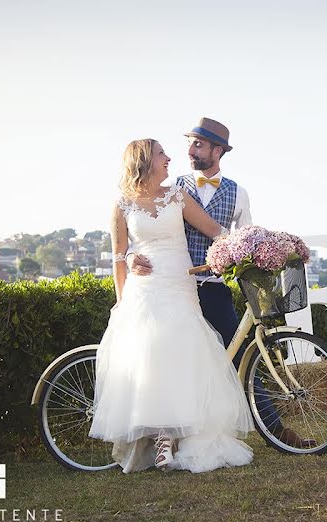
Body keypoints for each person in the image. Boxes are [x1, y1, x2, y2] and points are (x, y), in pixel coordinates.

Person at [126, 118, 315, 448]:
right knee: (172, 360)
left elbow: (243, 237)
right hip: (174, 288)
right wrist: (130, 256)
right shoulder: (170, 188)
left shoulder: (238, 193)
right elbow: (139, 227)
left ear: (218, 151)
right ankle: (168, 436)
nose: (190, 150)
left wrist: (268, 251)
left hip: (213, 288)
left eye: (198, 144)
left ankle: (275, 430)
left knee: (241, 356)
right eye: (189, 143)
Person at [88, 138, 254, 473]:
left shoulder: (177, 195)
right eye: (162, 154)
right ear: (146, 160)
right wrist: (123, 303)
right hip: (144, 290)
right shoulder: (121, 204)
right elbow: (119, 257)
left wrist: (250, 246)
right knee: (151, 358)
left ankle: (177, 434)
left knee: (181, 354)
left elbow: (213, 230)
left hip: (179, 283)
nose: (169, 159)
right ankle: (162, 437)